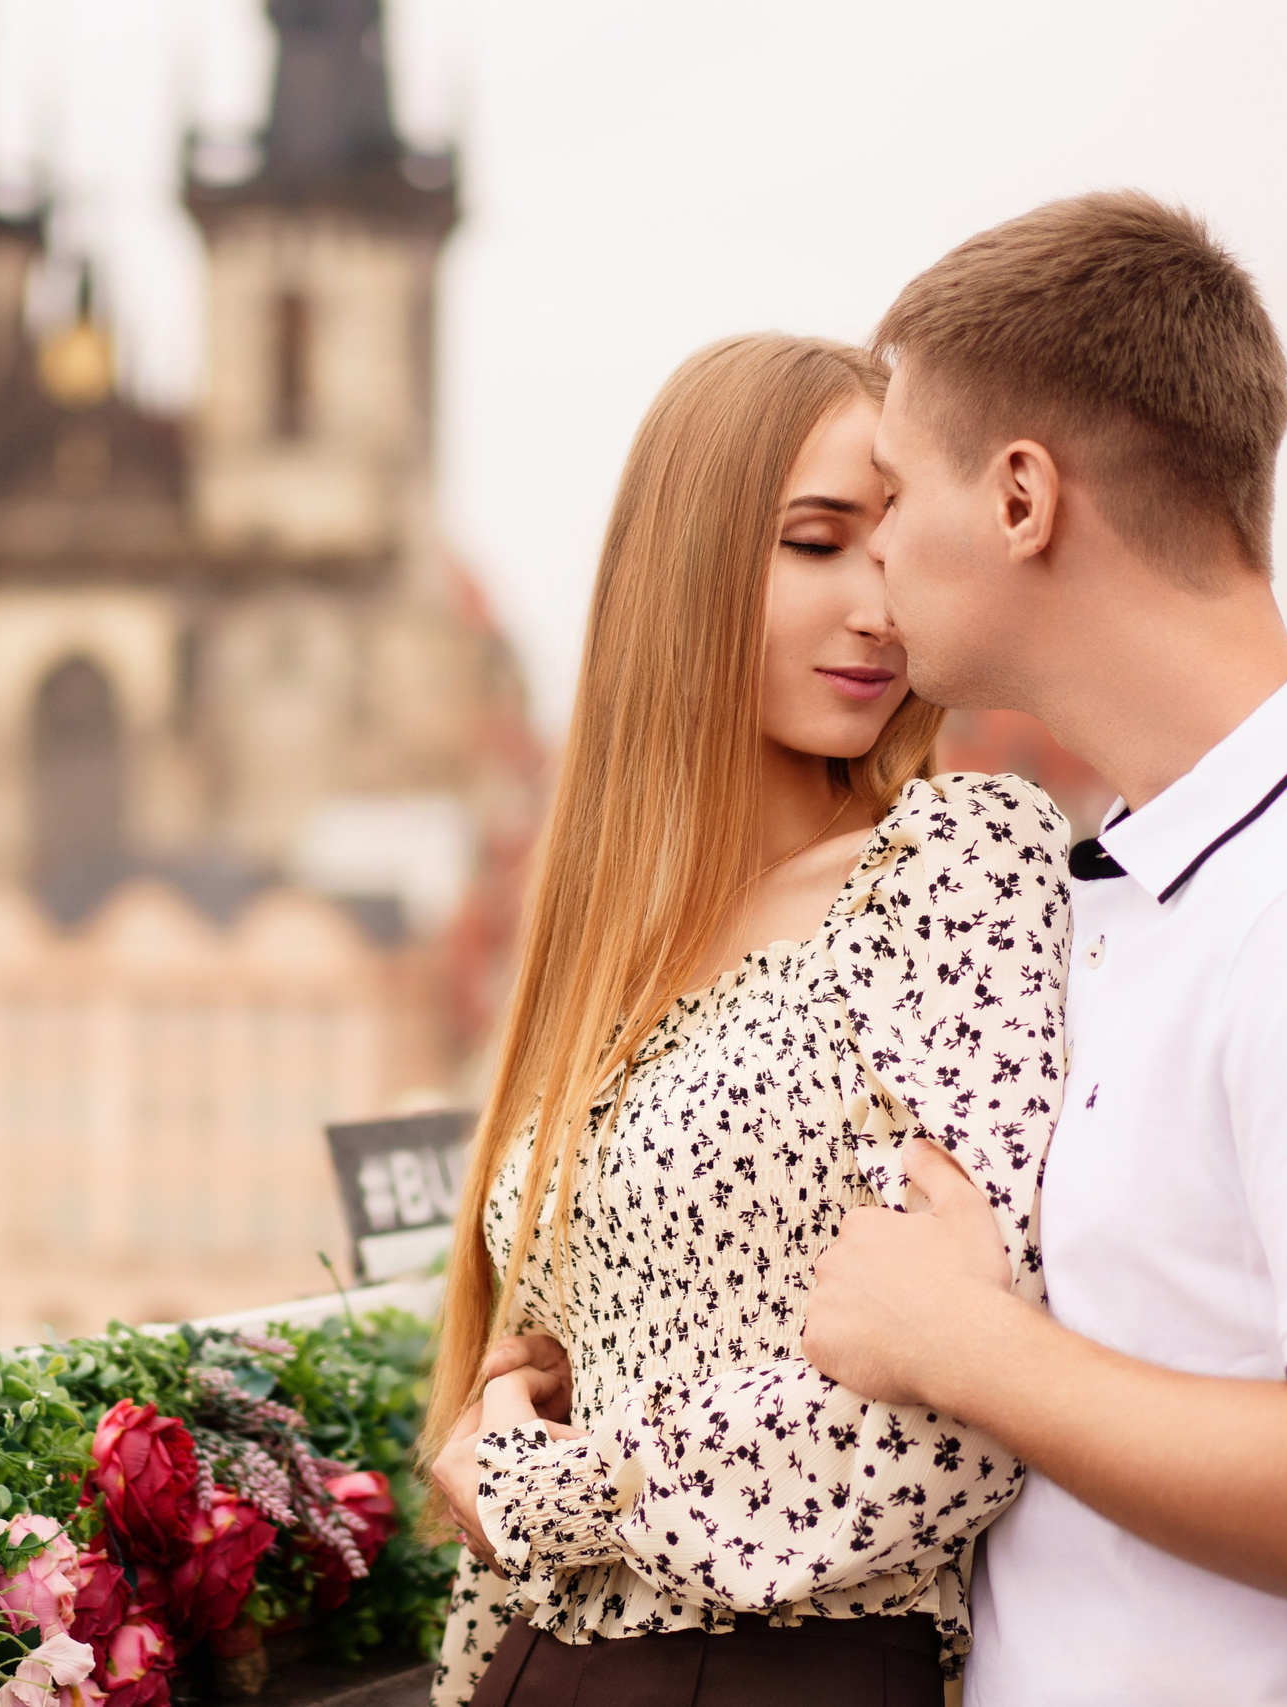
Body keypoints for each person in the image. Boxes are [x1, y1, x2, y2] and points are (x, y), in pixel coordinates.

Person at [799, 191, 1287, 1705]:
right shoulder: (1176, 876)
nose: (875, 554)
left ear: (1021, 499)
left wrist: (966, 1349)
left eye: (893, 492)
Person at [419, 332, 1073, 1707]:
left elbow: (960, 1418)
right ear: (691, 563)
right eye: (817, 542)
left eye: (892, 545)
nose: (878, 607)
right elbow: (544, 1373)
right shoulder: (611, 939)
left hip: (796, 1670)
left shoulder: (955, 866)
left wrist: (543, 1484)